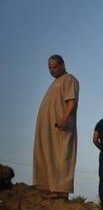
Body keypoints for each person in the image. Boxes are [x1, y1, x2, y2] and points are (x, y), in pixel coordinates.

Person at [33, 54, 79, 200]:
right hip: (48, 128)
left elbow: (71, 100)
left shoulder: (69, 79)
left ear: (62, 65)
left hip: (61, 126)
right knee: (45, 154)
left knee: (61, 155)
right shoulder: (55, 82)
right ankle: (46, 185)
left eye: (54, 67)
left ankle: (61, 190)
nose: (52, 70)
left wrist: (65, 117)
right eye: (49, 68)